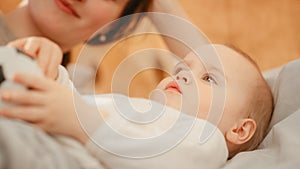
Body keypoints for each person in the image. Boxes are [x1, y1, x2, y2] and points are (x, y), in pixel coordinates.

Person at [0, 37, 273, 168]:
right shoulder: (133, 106)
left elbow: (158, 160)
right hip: (43, 134)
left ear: (239, 130)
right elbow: (76, 103)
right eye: (181, 69)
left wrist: (80, 122)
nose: (185, 75)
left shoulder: (205, 139)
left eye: (209, 78)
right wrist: (51, 70)